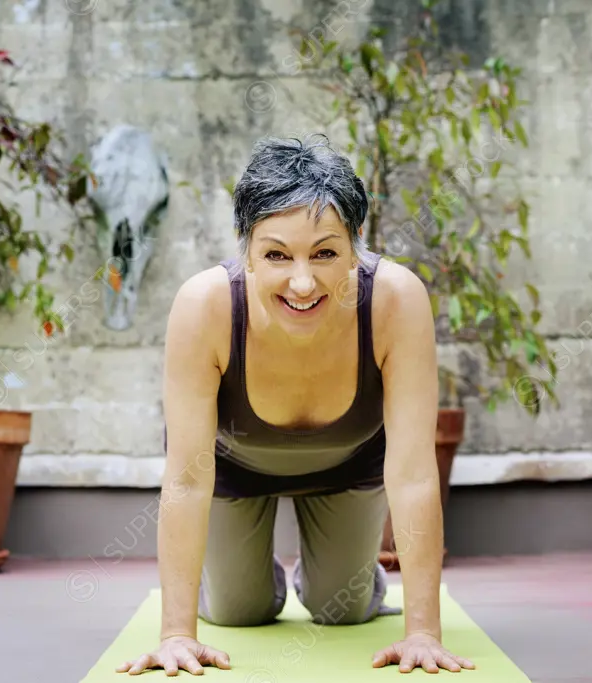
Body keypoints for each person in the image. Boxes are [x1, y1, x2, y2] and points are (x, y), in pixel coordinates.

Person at [116, 135, 475, 677]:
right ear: (247, 252)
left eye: (326, 252)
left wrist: (423, 631)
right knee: (239, 613)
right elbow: (187, 480)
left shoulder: (396, 301)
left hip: (350, 467)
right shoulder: (204, 307)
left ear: (356, 247)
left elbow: (415, 475)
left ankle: (329, 573)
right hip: (234, 470)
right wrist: (175, 635)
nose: (303, 281)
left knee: (345, 610)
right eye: (277, 254)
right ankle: (254, 578)